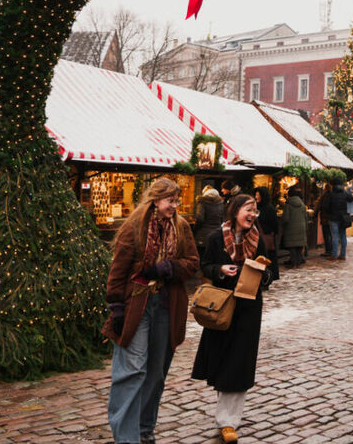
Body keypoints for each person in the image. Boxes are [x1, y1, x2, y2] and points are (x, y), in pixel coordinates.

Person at [103, 177, 200, 444]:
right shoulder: (134, 227)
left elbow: (192, 263)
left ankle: (145, 429)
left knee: (156, 372)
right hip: (137, 306)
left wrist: (168, 268)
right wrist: (117, 308)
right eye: (171, 200)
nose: (175, 205)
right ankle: (126, 437)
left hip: (166, 306)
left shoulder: (180, 227)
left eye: (177, 200)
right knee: (132, 370)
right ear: (156, 200)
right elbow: (118, 272)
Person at [191, 194, 272, 444]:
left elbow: (272, 274)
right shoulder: (216, 238)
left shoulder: (258, 240)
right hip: (222, 307)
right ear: (235, 210)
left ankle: (229, 421)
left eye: (255, 211)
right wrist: (220, 270)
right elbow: (205, 266)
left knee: (239, 364)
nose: (253, 215)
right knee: (221, 361)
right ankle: (225, 412)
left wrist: (261, 271)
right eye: (248, 209)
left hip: (248, 309)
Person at [253, 186, 280, 281]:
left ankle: (269, 277)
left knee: (268, 258)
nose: (256, 196)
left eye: (258, 194)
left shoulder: (269, 208)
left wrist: (270, 232)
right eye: (255, 194)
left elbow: (275, 224)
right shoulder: (255, 207)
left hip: (266, 236)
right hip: (257, 236)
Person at [320, 179, 351, 260]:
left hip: (333, 218)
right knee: (343, 236)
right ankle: (343, 255)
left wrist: (329, 212)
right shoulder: (344, 192)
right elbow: (351, 199)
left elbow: (325, 206)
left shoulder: (331, 194)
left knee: (335, 236)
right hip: (343, 218)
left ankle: (334, 255)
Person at [194, 182, 225, 257]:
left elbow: (200, 218)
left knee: (201, 255)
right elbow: (223, 219)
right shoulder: (221, 203)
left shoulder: (202, 202)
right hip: (217, 234)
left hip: (203, 234)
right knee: (213, 256)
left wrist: (195, 230)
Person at [279, 186, 307, 267]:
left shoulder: (288, 204)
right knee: (299, 246)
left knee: (292, 247)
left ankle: (293, 262)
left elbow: (286, 218)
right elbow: (305, 216)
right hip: (301, 227)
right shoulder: (302, 204)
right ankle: (298, 262)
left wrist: (282, 223)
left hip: (291, 228)